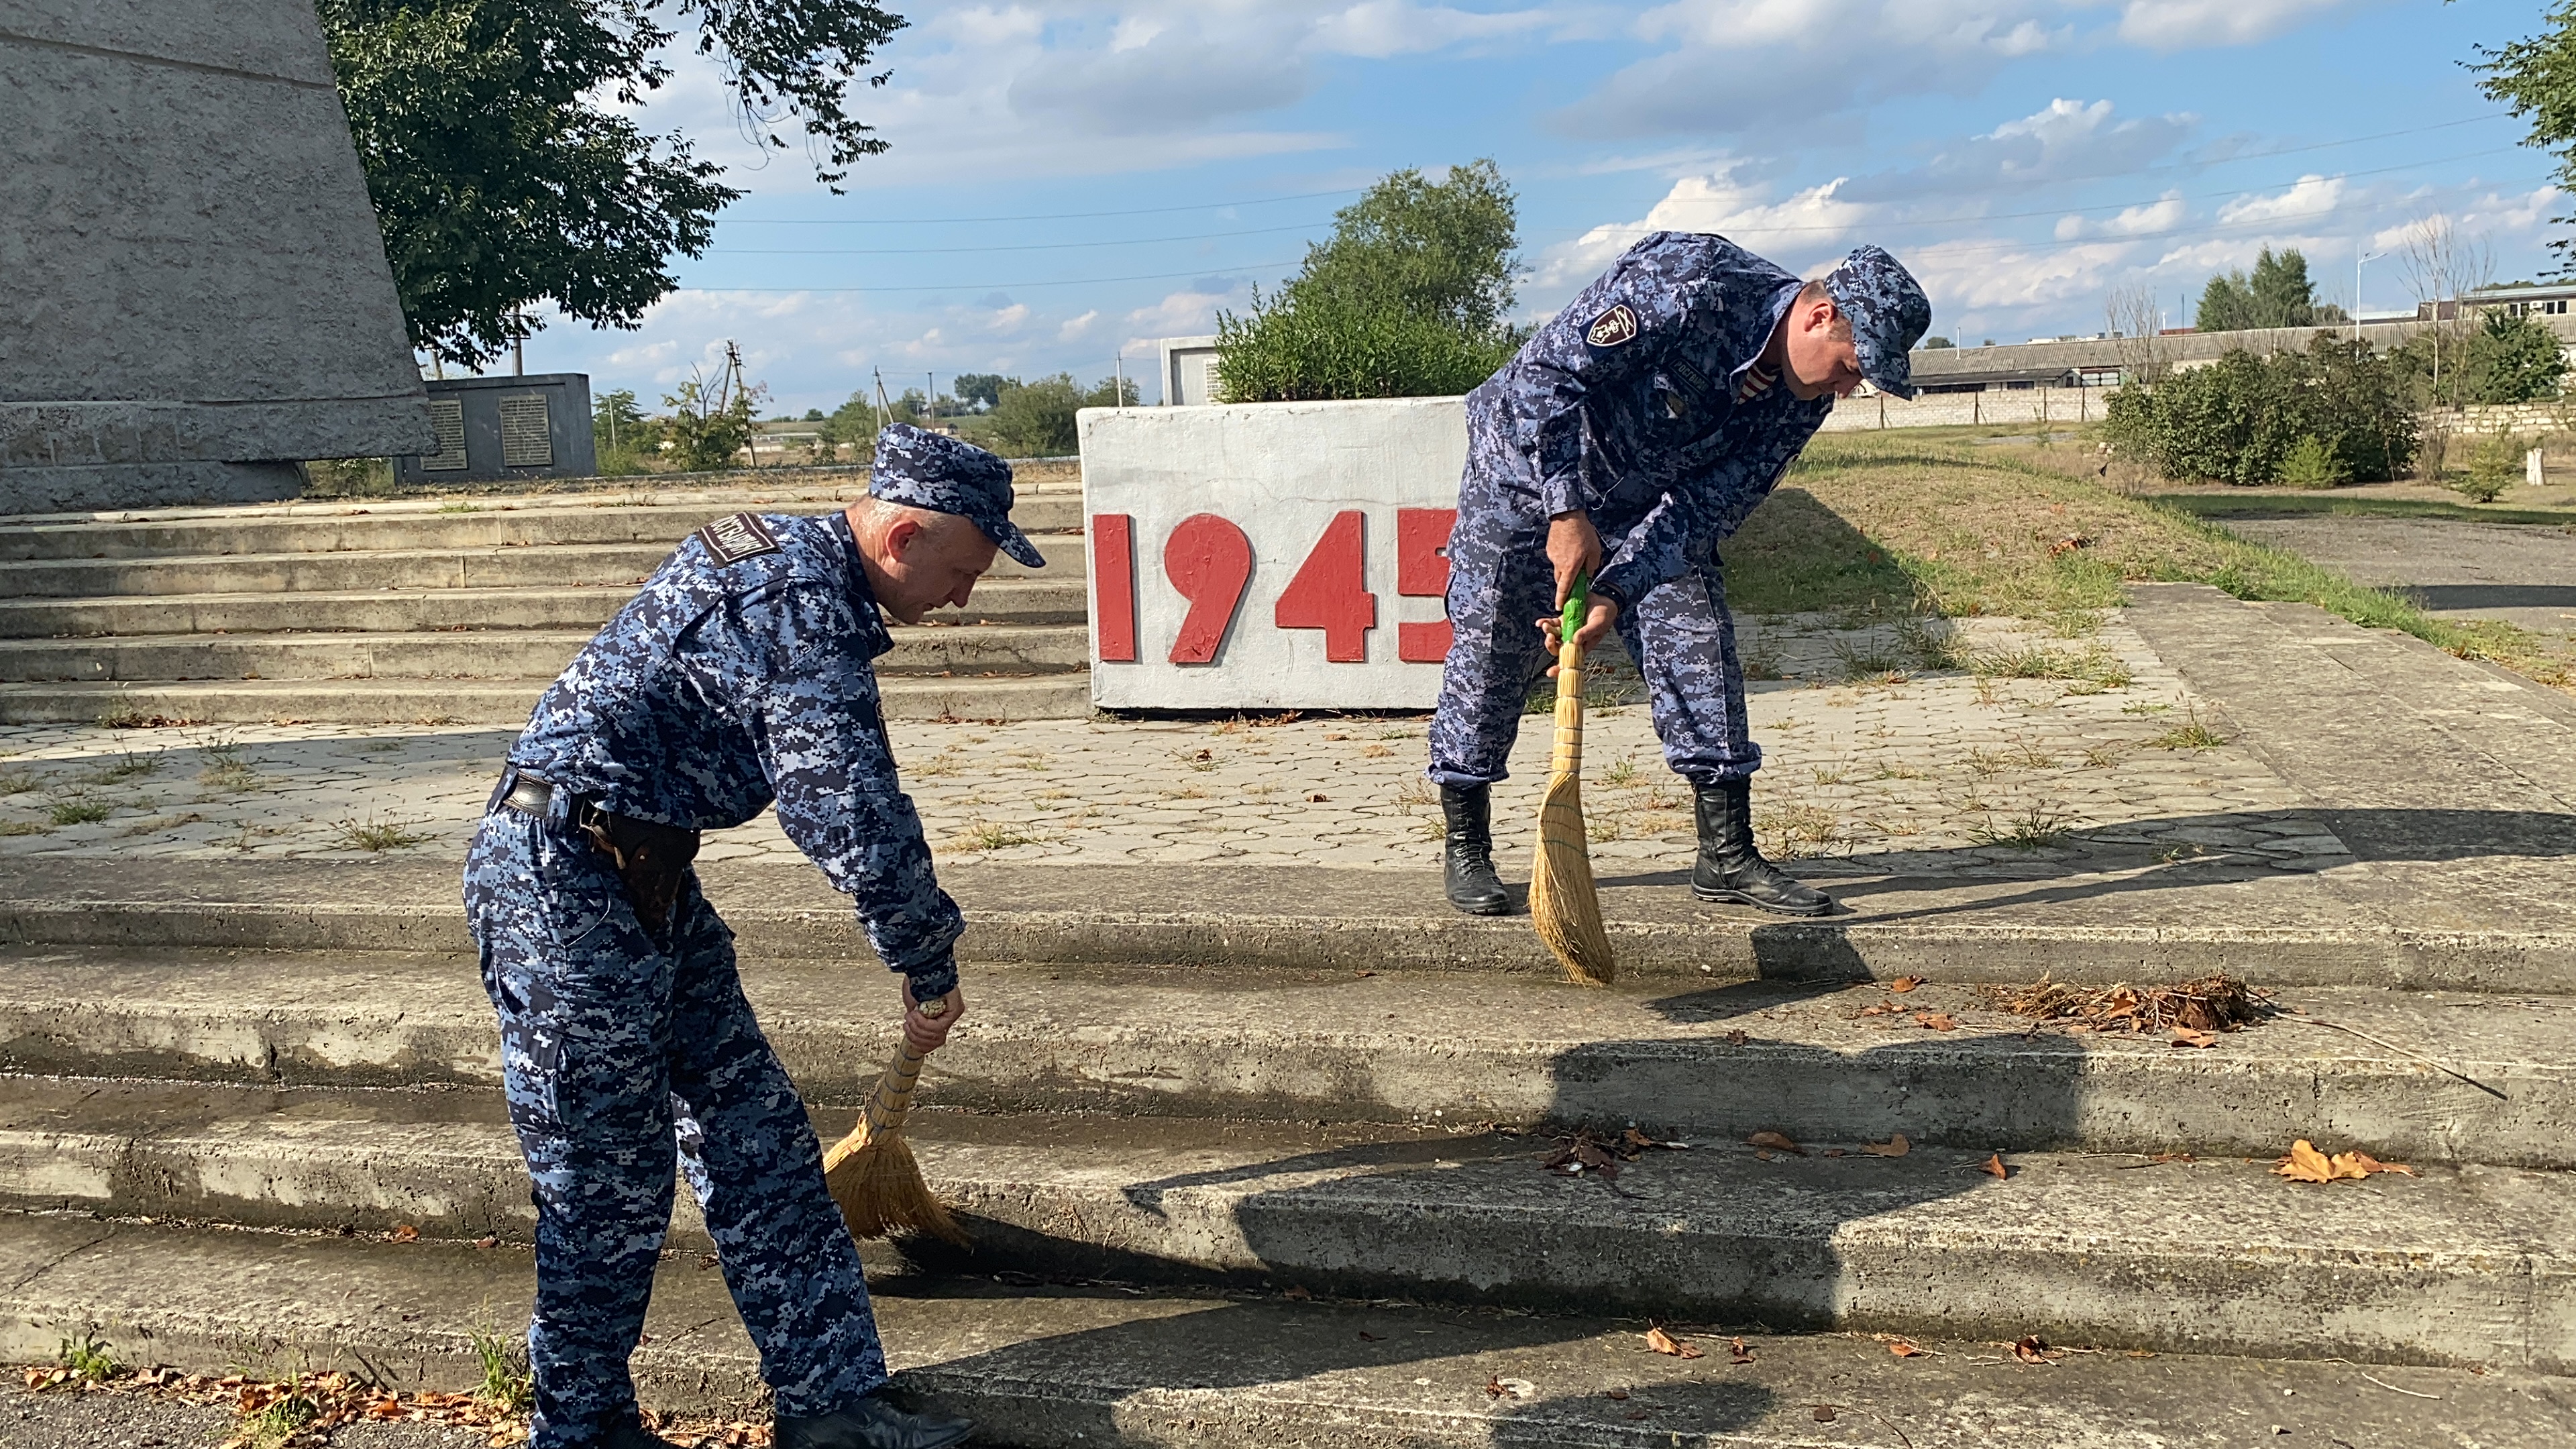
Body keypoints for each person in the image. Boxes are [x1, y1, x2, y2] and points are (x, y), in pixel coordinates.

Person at [462, 424, 1042, 1449]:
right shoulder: (797, 607)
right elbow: (849, 809)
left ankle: (832, 1407)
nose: (964, 598)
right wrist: (923, 955)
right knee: (604, 1182)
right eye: (963, 572)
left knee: (759, 1139)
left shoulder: (792, 564)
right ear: (903, 537)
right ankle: (581, 1427)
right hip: (563, 882)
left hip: (641, 874)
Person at [1428, 237, 1931, 918]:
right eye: (1852, 367)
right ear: (1820, 318)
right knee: (1494, 648)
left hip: (1641, 502)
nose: (1850, 388)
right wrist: (1565, 510)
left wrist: (1615, 589)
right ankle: (1467, 842)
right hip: (1523, 473)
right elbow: (1542, 382)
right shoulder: (1693, 283)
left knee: (1695, 630)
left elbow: (1705, 508)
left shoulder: (1800, 402)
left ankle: (1725, 854)